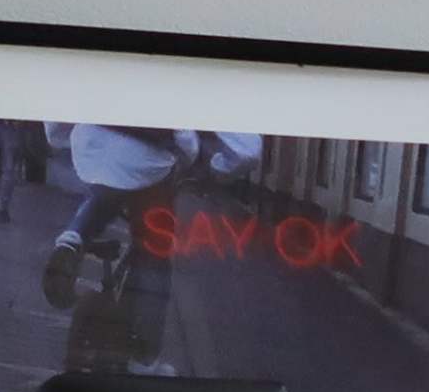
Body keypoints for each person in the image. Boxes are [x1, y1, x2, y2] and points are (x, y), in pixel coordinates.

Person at [40, 125, 262, 305]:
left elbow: (55, 124)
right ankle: (144, 356)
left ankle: (72, 238)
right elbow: (247, 152)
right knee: (155, 248)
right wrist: (216, 168)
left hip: (89, 144)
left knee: (107, 188)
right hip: (152, 155)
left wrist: (62, 136)